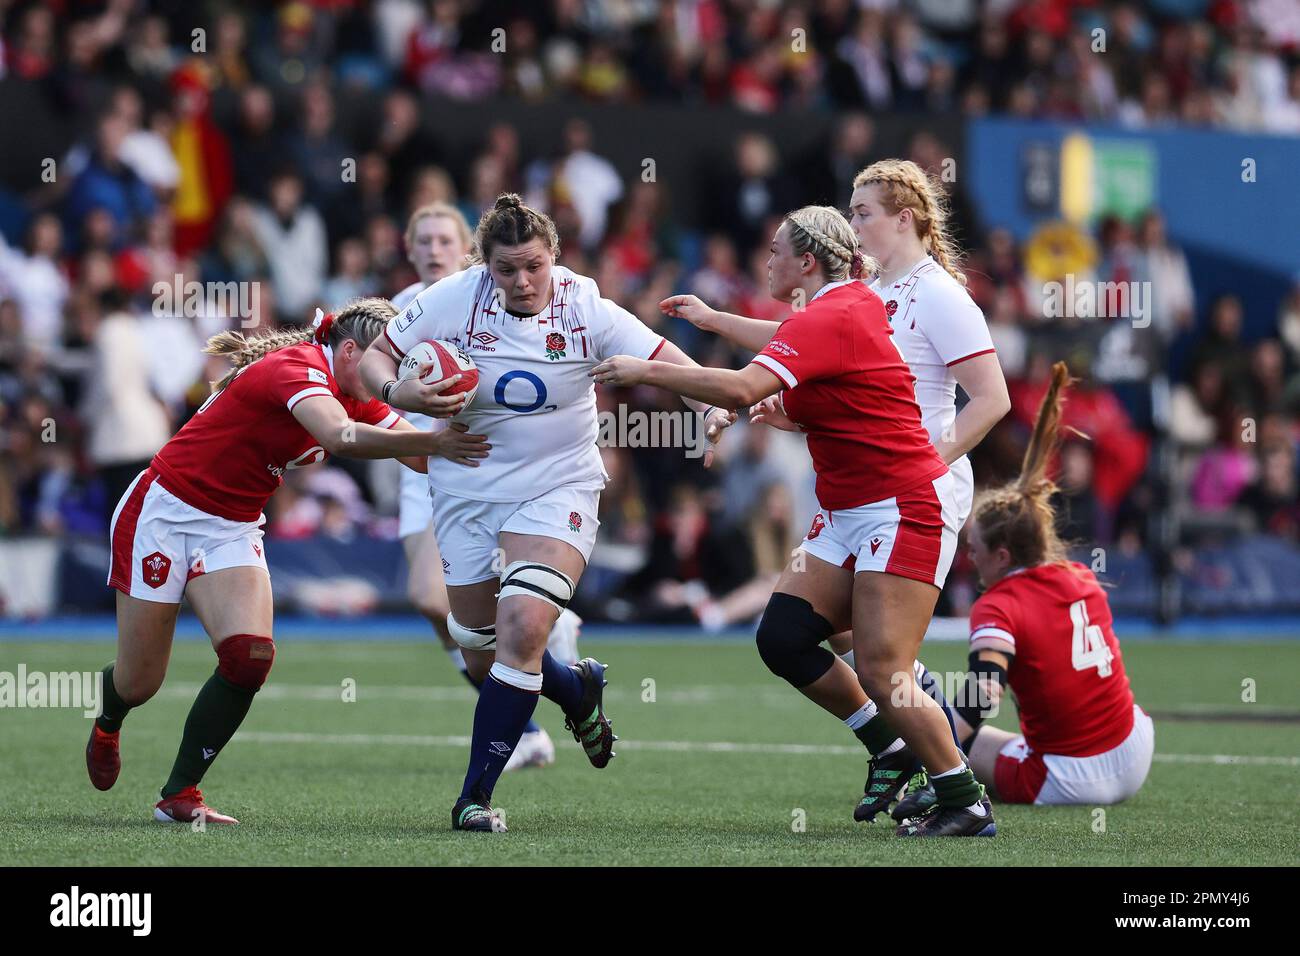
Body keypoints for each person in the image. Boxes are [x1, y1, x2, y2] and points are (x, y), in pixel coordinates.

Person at [594, 206, 995, 837]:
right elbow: (801, 367)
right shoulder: (835, 309)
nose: (768, 261)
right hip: (849, 509)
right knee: (783, 636)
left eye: (777, 251)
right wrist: (720, 331)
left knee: (884, 668)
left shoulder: (835, 312)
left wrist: (648, 370)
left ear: (807, 262)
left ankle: (962, 796)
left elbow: (741, 386)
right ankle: (890, 747)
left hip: (900, 503)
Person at [360, 194, 734, 832]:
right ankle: (575, 690)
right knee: (477, 645)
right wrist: (401, 391)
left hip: (560, 485)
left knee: (524, 629)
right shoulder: (452, 298)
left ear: (553, 257)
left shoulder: (583, 303)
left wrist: (705, 408)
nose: (522, 281)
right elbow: (375, 358)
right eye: (506, 270)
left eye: (533, 266)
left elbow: (664, 358)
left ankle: (473, 799)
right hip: (468, 486)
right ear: (485, 267)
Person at [86, 299, 472, 825]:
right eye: (385, 358)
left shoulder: (355, 388)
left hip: (232, 525)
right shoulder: (299, 367)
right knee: (140, 682)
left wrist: (489, 440)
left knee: (250, 657)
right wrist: (434, 436)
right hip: (165, 512)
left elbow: (420, 456)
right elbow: (342, 437)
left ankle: (180, 794)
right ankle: (110, 717)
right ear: (352, 350)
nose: (390, 374)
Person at [898, 362, 1153, 813]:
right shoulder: (1081, 577)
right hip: (1136, 750)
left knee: (937, 736)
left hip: (1071, 779)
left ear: (1003, 555)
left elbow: (984, 692)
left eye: (974, 549)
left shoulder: (998, 605)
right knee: (978, 733)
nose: (969, 558)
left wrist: (939, 762)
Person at [391, 202, 580, 772]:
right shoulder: (401, 310)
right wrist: (406, 427)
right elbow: (369, 376)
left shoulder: (490, 297)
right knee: (444, 613)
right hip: (422, 466)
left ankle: (525, 716)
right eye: (422, 240)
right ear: (408, 248)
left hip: (483, 467)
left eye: (444, 239)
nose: (433, 249)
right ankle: (551, 682)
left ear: (466, 250)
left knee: (448, 603)